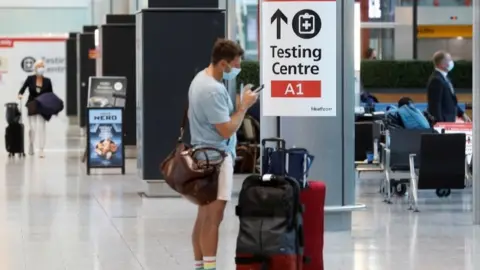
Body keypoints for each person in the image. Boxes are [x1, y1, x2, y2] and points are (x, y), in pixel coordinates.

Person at [188, 39, 258, 270]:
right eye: (234, 65)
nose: (236, 69)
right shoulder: (212, 90)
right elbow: (227, 128)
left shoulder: (201, 78)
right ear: (222, 64)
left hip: (203, 154)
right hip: (216, 157)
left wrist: (238, 103)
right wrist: (244, 107)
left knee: (204, 214)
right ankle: (209, 267)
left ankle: (200, 265)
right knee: (213, 217)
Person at [18, 59, 53, 158]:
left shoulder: (47, 81)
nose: (41, 68)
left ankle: (41, 149)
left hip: (43, 106)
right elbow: (23, 88)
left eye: (43, 66)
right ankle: (31, 144)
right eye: (39, 66)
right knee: (33, 128)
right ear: (35, 68)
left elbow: (50, 94)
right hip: (32, 104)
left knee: (42, 128)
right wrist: (20, 94)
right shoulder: (30, 79)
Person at [427, 51, 470, 123]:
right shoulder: (436, 80)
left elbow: (451, 100)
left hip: (449, 120)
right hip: (444, 122)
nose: (451, 62)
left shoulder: (445, 78)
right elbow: (435, 106)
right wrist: (441, 124)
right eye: (449, 60)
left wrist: (462, 114)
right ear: (442, 64)